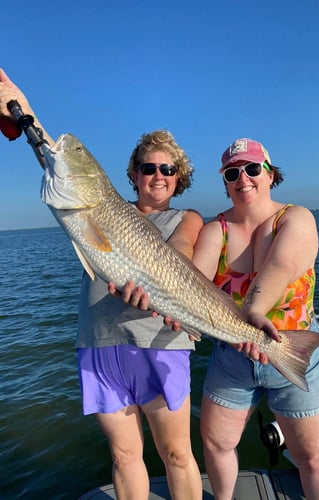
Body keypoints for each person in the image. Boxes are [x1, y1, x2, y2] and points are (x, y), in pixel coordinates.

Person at [0, 69, 204, 500]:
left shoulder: (185, 218)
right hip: (99, 343)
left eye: (168, 168)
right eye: (148, 167)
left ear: (179, 176)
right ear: (132, 174)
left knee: (178, 455)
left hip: (161, 344)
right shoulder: (99, 203)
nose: (158, 175)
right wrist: (24, 107)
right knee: (125, 456)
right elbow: (53, 156)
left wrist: (162, 288)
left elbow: (183, 253)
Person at [191, 138, 319, 500]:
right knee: (216, 444)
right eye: (232, 173)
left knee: (314, 457)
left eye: (252, 168)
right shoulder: (216, 231)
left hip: (293, 350)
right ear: (225, 182)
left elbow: (282, 264)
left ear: (270, 173)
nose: (243, 178)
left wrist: (254, 312)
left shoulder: (296, 217)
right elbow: (194, 280)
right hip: (232, 358)